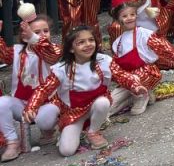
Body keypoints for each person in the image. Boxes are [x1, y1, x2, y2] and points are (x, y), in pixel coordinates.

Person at [24, 24, 145, 156]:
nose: (87, 45)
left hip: (96, 108)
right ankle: (74, 129)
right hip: (73, 114)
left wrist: (135, 85)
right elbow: (44, 89)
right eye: (81, 42)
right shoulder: (62, 69)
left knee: (103, 102)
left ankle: (93, 131)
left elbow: (121, 75)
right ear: (71, 48)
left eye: (90, 40)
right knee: (66, 151)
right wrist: (31, 107)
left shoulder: (103, 61)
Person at [0, 5, 60, 161]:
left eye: (45, 31)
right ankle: (12, 142)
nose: (42, 35)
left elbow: (52, 56)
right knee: (2, 103)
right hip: (22, 103)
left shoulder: (54, 49)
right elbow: (4, 55)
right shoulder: (18, 51)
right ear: (24, 35)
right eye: (35, 32)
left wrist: (35, 38)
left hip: (46, 103)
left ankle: (49, 130)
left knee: (45, 119)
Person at [108, 3, 174, 116]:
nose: (129, 18)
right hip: (129, 77)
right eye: (124, 16)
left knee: (136, 106)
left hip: (147, 72)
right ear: (118, 20)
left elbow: (168, 51)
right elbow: (118, 67)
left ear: (136, 16)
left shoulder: (145, 33)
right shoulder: (117, 42)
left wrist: (172, 61)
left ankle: (142, 95)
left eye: (132, 14)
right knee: (109, 105)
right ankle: (132, 98)